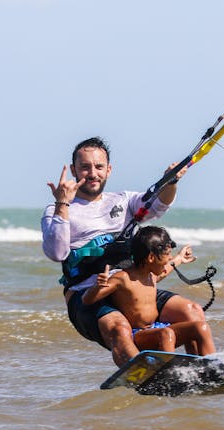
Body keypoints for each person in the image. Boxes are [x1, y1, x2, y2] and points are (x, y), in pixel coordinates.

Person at [41, 136, 207, 367]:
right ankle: (145, 374)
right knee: (120, 328)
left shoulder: (124, 201)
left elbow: (159, 205)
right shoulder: (58, 210)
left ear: (108, 170)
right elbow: (56, 253)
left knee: (192, 311)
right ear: (73, 170)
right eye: (85, 167)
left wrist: (171, 182)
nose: (92, 173)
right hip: (89, 296)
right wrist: (63, 204)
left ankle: (202, 371)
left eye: (99, 167)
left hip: (131, 288)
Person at [82, 226, 216, 356]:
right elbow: (87, 300)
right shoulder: (123, 278)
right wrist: (98, 287)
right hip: (138, 335)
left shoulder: (151, 274)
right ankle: (168, 373)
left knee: (201, 327)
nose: (169, 258)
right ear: (151, 257)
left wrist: (180, 258)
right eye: (167, 254)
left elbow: (167, 269)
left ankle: (210, 368)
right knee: (166, 334)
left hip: (157, 327)